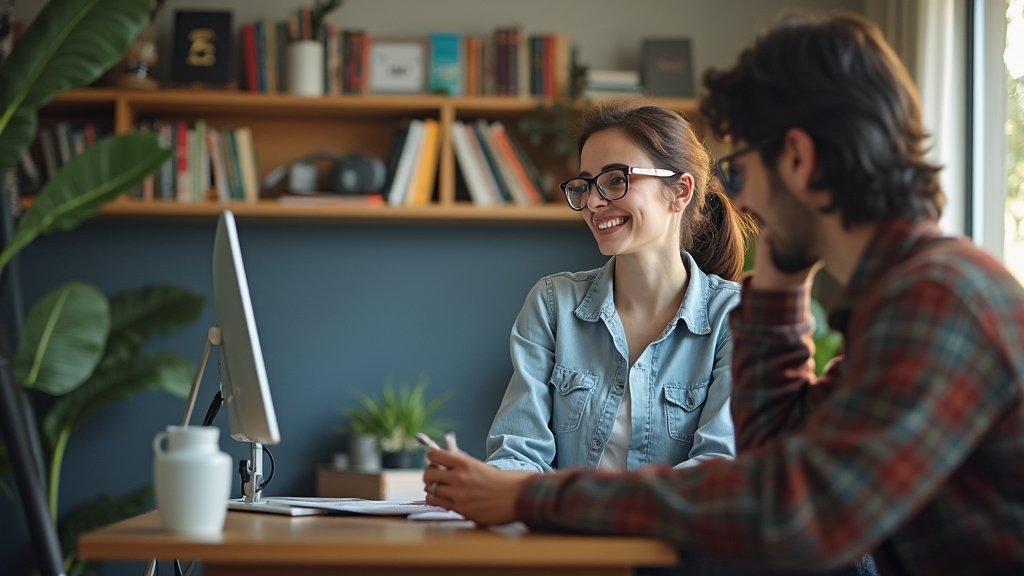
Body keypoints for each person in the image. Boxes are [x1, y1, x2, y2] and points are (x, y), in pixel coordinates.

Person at [423, 11, 1024, 576]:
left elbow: (787, 512)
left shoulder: (937, 301)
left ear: (797, 158)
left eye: (739, 170)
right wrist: (783, 282)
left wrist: (532, 496)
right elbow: (771, 449)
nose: (741, 201)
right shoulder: (910, 296)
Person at [485, 102, 753, 474]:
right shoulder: (553, 305)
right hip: (559, 532)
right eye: (585, 185)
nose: (593, 202)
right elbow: (516, 455)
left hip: (668, 533)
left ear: (680, 191)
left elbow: (715, 470)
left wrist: (591, 508)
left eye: (615, 180)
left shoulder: (735, 316)